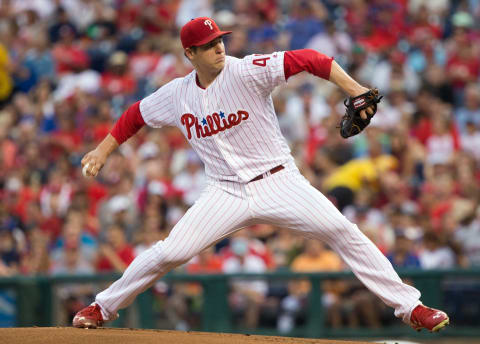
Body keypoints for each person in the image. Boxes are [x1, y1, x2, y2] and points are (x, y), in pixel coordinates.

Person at [73, 17, 449, 332]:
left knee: (342, 230)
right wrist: (103, 149)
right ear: (190, 54)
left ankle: (411, 308)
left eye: (219, 40)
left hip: (279, 181)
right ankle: (101, 308)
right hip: (225, 192)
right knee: (169, 251)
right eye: (208, 45)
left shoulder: (246, 70)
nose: (219, 48)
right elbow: (136, 114)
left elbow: (311, 59)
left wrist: (355, 88)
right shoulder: (176, 94)